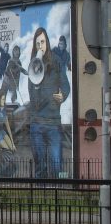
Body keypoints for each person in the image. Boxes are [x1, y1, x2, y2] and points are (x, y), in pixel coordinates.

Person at [28, 28, 70, 179]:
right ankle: (41, 195)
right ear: (35, 45)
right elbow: (33, 97)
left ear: (47, 42)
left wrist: (62, 95)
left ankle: (59, 194)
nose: (41, 46)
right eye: (38, 43)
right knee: (40, 166)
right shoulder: (33, 64)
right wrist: (37, 84)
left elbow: (65, 85)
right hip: (37, 123)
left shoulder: (57, 61)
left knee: (57, 164)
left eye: (43, 42)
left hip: (53, 122)